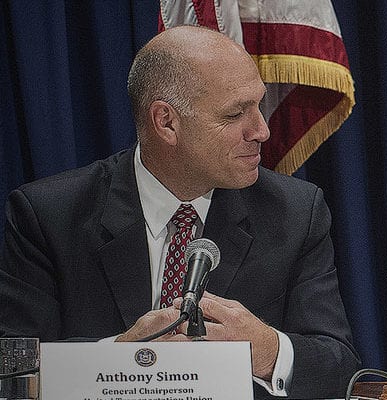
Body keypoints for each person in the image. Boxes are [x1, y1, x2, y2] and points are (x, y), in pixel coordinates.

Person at [0, 26, 361, 398]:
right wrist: (118, 362)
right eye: (236, 114)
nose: (261, 130)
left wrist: (267, 349)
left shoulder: (296, 213)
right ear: (167, 122)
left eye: (258, 104)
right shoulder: (48, 215)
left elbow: (340, 366)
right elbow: (15, 374)